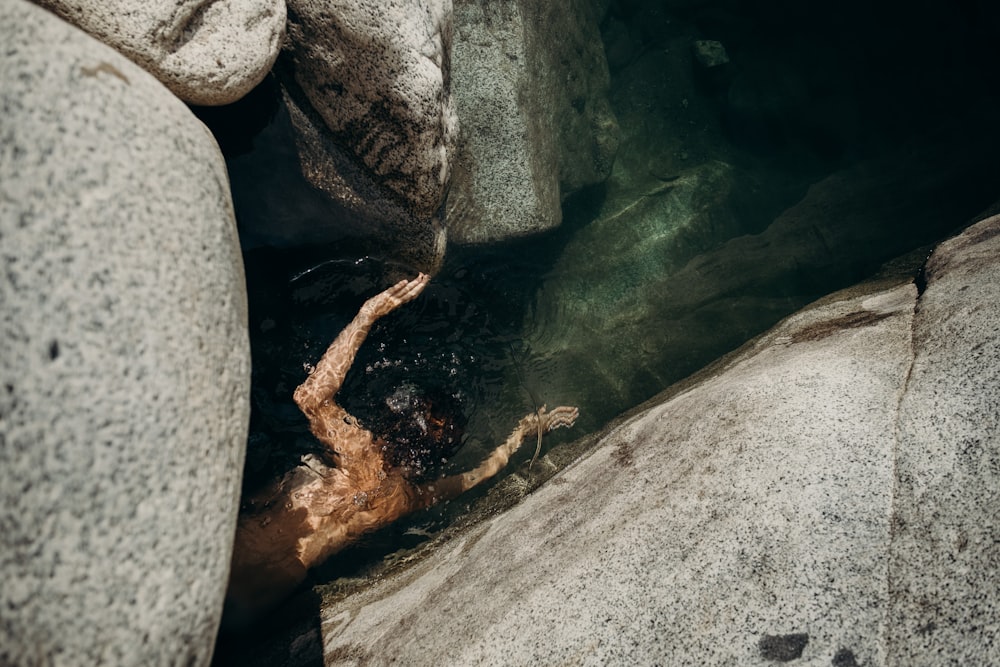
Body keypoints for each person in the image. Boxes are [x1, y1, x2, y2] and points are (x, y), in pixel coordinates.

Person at [225, 273, 578, 621]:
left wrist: (367, 315)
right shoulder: (402, 498)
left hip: (238, 548)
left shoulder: (359, 451)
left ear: (394, 421)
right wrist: (523, 432)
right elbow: (477, 476)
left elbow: (308, 397)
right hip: (267, 594)